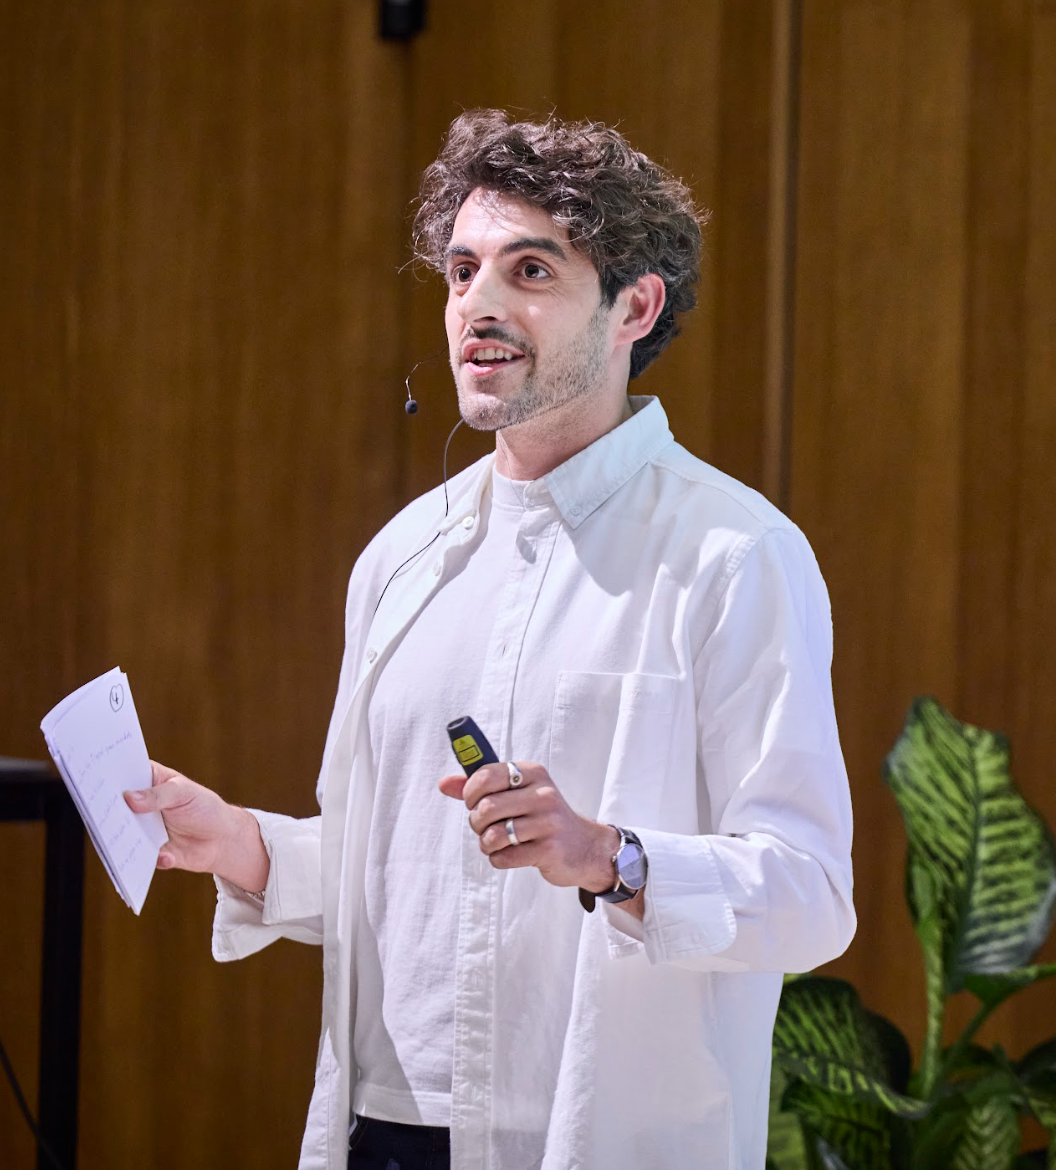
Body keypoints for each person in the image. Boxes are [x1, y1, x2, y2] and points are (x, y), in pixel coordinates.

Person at [126, 109, 855, 1170]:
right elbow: (401, 871)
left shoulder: (732, 554)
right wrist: (241, 842)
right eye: (462, 270)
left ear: (634, 306)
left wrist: (606, 856)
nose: (478, 304)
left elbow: (809, 896)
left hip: (598, 1138)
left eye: (531, 270)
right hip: (383, 1130)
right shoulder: (400, 559)